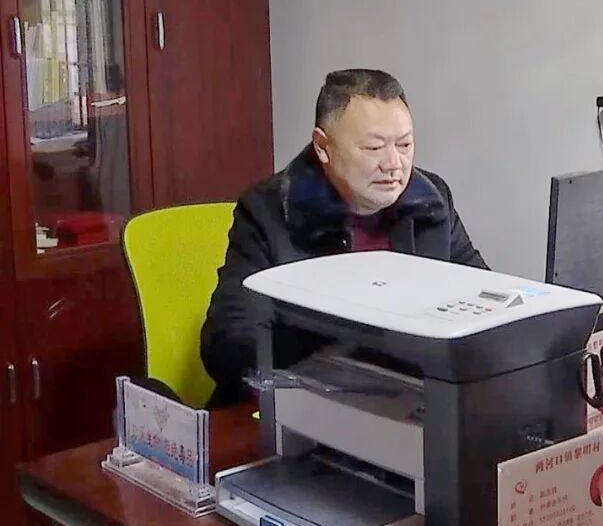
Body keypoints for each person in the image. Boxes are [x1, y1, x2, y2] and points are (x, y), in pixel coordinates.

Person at [200, 69, 487, 406]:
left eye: (405, 145)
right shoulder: (269, 211)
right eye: (374, 148)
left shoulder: (431, 202)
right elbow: (227, 343)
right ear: (323, 147)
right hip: (303, 405)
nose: (394, 165)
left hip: (409, 404)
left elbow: (487, 301)